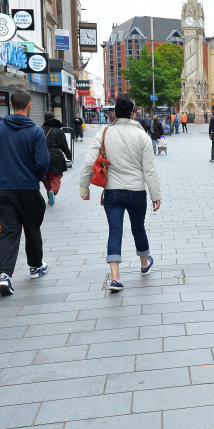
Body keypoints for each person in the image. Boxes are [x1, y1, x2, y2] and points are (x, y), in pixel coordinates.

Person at [79, 96, 162, 292]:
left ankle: (115, 278)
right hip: (136, 192)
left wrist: (84, 187)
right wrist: (155, 195)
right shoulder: (142, 136)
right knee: (138, 228)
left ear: (114, 113)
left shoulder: (104, 133)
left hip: (112, 192)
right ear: (133, 114)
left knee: (115, 231)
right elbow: (150, 169)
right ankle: (144, 263)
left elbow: (90, 162)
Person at [0, 89, 50, 297]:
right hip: (28, 189)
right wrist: (36, 176)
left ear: (11, 106)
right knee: (32, 228)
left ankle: (4, 275)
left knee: (9, 231)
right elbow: (42, 162)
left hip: (4, 189)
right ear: (29, 105)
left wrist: (1, 174)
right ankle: (35, 266)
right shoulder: (35, 132)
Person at [41, 112, 72, 207]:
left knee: (46, 177)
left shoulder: (39, 130)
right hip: (55, 155)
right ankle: (52, 191)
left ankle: (50, 194)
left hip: (42, 155)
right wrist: (69, 155)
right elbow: (64, 146)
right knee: (56, 177)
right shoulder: (59, 131)